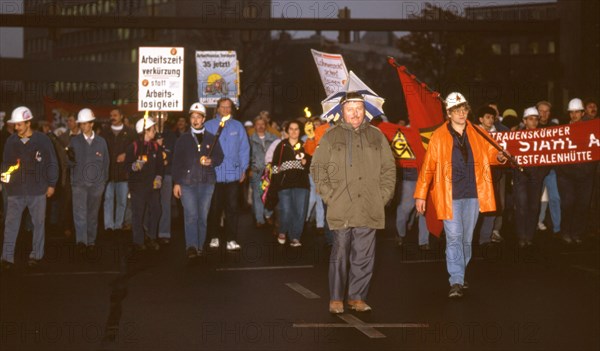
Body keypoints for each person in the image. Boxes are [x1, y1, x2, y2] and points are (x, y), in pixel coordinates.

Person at [415, 92, 507, 299]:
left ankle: (461, 273)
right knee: (455, 237)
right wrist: (420, 195)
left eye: (464, 110)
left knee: (466, 239)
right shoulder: (438, 136)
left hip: (474, 194)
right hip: (449, 196)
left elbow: (491, 153)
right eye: (457, 110)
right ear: (448, 113)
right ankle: (456, 280)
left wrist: (500, 156)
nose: (462, 114)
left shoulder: (477, 132)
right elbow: (428, 167)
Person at [311, 91, 396, 314]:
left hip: (370, 205)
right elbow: (317, 169)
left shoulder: (377, 135)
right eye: (350, 108)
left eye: (359, 108)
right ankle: (337, 298)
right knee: (340, 253)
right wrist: (329, 196)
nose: (355, 113)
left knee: (365, 255)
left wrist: (383, 195)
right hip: (341, 206)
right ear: (342, 112)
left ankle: (357, 297)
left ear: (365, 110)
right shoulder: (330, 136)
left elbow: (389, 168)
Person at [1, 106, 58, 269]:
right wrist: (5, 178)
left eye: (19, 124)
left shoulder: (42, 140)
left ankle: (36, 255)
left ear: (28, 122)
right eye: (15, 124)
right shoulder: (11, 141)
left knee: (38, 224)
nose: (16, 127)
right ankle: (7, 257)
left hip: (38, 190)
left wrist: (52, 184)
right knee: (10, 224)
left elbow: (52, 162)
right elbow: (6, 164)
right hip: (15, 191)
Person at [172, 103, 223, 258]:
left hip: (207, 183)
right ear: (190, 119)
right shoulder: (183, 139)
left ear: (204, 119)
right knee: (191, 215)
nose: (195, 120)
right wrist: (176, 183)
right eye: (192, 117)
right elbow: (176, 163)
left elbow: (220, 157)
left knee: (202, 216)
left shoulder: (211, 138)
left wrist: (211, 161)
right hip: (187, 183)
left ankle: (200, 246)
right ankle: (191, 247)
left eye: (198, 117)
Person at [205, 98, 250, 251]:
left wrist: (244, 169)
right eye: (222, 107)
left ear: (231, 109)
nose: (225, 109)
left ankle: (231, 239)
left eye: (228, 107)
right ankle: (214, 237)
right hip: (214, 174)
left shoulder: (238, 126)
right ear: (217, 108)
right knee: (214, 208)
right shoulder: (208, 126)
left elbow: (244, 149)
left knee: (232, 208)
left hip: (233, 174)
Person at [555, 98, 598, 244]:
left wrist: (587, 170)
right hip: (566, 175)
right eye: (571, 112)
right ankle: (565, 231)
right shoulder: (562, 131)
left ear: (582, 112)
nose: (574, 115)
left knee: (583, 204)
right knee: (568, 203)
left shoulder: (592, 129)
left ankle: (577, 233)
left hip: (586, 174)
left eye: (577, 112)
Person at [68, 108, 109, 250]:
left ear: (92, 124)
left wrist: (103, 182)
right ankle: (81, 242)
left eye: (86, 124)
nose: (83, 126)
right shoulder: (74, 142)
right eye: (81, 124)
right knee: (79, 214)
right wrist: (70, 158)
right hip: (79, 184)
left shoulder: (101, 142)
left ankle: (91, 241)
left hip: (96, 185)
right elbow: (69, 164)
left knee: (92, 214)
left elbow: (106, 163)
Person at [513, 107, 550, 247]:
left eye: (536, 119)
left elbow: (550, 156)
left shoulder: (544, 137)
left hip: (536, 177)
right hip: (521, 177)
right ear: (524, 121)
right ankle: (521, 236)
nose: (534, 122)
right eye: (530, 119)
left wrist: (541, 174)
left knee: (534, 207)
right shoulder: (515, 136)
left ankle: (529, 236)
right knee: (522, 206)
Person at [126, 117, 164, 251]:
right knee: (138, 214)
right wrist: (134, 166)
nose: (155, 130)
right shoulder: (134, 147)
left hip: (152, 186)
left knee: (156, 210)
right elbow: (127, 166)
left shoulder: (155, 147)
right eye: (152, 128)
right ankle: (138, 241)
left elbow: (160, 166)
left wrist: (159, 177)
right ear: (145, 131)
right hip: (138, 187)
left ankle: (151, 237)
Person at [270, 121, 310, 247]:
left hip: (301, 183)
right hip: (284, 184)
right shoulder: (281, 145)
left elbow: (313, 164)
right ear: (287, 131)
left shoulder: (305, 145)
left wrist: (306, 162)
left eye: (296, 129)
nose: (293, 131)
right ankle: (282, 231)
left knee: (300, 211)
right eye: (291, 129)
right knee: (286, 210)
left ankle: (295, 237)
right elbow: (274, 165)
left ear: (300, 131)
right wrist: (276, 182)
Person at [476, 105, 509, 245]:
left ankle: (485, 237)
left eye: (492, 118)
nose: (490, 120)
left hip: (493, 174)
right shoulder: (474, 133)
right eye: (487, 117)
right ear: (481, 119)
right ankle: (468, 238)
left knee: (492, 205)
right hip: (477, 175)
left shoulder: (498, 134)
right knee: (474, 208)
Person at [101, 108, 136, 232]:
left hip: (123, 173)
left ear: (121, 116)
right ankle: (109, 226)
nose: (112, 117)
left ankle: (118, 225)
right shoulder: (105, 133)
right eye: (111, 115)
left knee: (122, 201)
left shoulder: (130, 133)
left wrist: (127, 155)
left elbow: (136, 150)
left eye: (115, 115)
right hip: (108, 173)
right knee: (108, 200)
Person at [535, 100, 561, 235]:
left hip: (551, 170)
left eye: (547, 111)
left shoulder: (556, 128)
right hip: (535, 171)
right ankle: (533, 224)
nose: (544, 114)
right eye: (541, 111)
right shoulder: (530, 127)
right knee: (535, 198)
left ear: (550, 113)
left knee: (555, 198)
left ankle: (557, 228)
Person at [249, 115, 278, 228]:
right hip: (256, 170)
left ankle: (268, 214)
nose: (260, 126)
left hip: (270, 171)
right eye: (258, 124)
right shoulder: (250, 139)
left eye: (262, 124)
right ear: (254, 126)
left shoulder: (273, 138)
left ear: (266, 126)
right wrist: (249, 169)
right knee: (257, 195)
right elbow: (247, 155)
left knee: (269, 194)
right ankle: (259, 219)